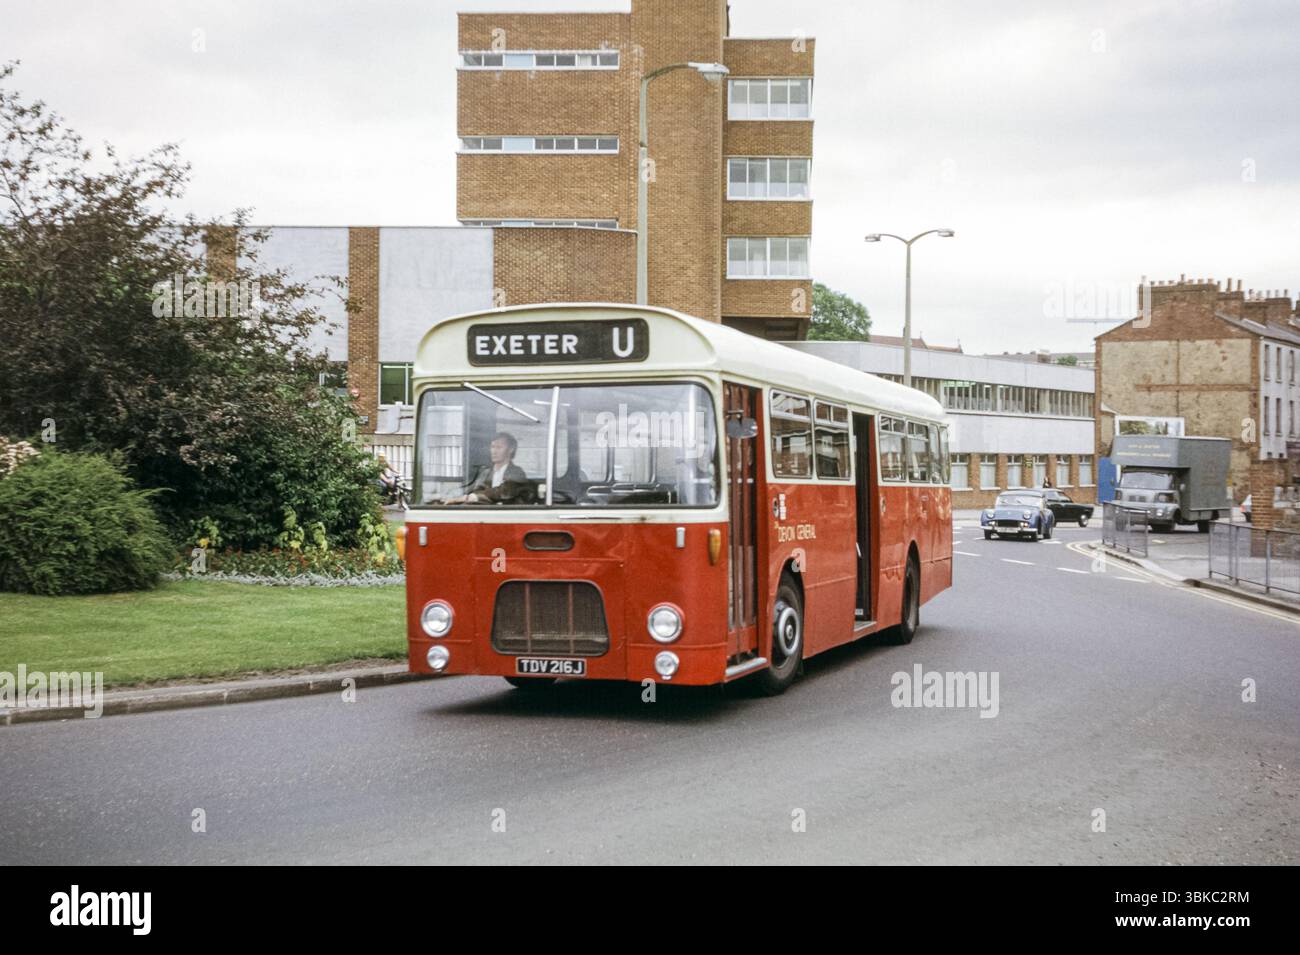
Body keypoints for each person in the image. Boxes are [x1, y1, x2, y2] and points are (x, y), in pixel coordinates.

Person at [445, 432, 533, 504]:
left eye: (498, 447)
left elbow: (504, 492)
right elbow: (477, 490)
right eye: (492, 447)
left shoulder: (517, 472)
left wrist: (470, 497)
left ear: (511, 450)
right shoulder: (486, 472)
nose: (494, 451)